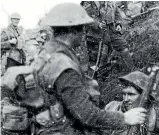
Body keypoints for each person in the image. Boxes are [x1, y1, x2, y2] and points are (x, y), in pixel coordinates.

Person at [1, 3, 147, 135]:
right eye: (82, 28)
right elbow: (86, 114)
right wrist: (124, 118)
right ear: (73, 30)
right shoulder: (63, 66)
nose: (84, 33)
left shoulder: (45, 53)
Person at [81, 1, 135, 72]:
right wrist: (98, 24)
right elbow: (85, 17)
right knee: (98, 60)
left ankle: (132, 71)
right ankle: (96, 79)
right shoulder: (89, 2)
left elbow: (116, 13)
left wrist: (118, 24)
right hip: (96, 35)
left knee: (123, 47)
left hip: (110, 31)